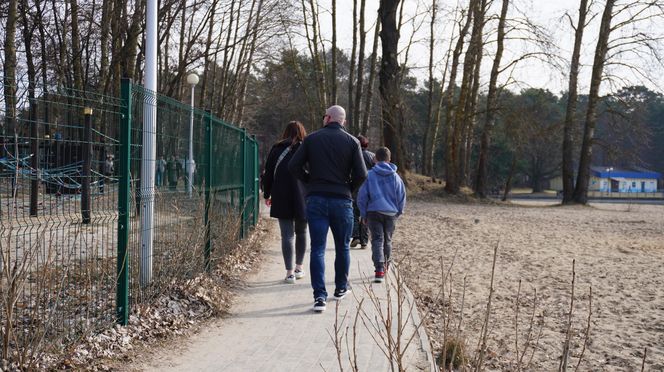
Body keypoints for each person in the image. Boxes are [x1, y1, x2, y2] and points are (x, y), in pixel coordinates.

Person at [289, 105, 367, 312]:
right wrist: (348, 189)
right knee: (342, 247)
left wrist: (309, 181)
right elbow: (362, 174)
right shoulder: (352, 142)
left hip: (316, 199)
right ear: (343, 121)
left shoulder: (312, 139)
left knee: (318, 249)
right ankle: (341, 288)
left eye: (324, 115)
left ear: (328, 118)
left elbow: (293, 166)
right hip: (341, 200)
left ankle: (319, 297)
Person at [263, 121, 308, 284]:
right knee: (302, 232)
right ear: (302, 132)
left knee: (287, 235)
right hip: (303, 197)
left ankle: (289, 273)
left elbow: (268, 173)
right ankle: (299, 267)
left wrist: (267, 194)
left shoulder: (276, 149)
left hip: (281, 196)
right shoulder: (306, 149)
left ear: (286, 132)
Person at [357, 147, 406, 283]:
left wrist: (363, 213)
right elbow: (402, 195)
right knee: (387, 240)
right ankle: (386, 265)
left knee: (377, 240)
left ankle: (379, 269)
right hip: (391, 213)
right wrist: (399, 211)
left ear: (375, 159)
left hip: (373, 212)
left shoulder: (370, 175)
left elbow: (362, 197)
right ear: (389, 159)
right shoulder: (396, 177)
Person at [351, 135, 375, 249]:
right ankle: (364, 241)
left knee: (354, 213)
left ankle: (355, 236)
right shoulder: (372, 156)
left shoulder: (353, 156)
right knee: (365, 215)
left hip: (356, 188)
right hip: (369, 189)